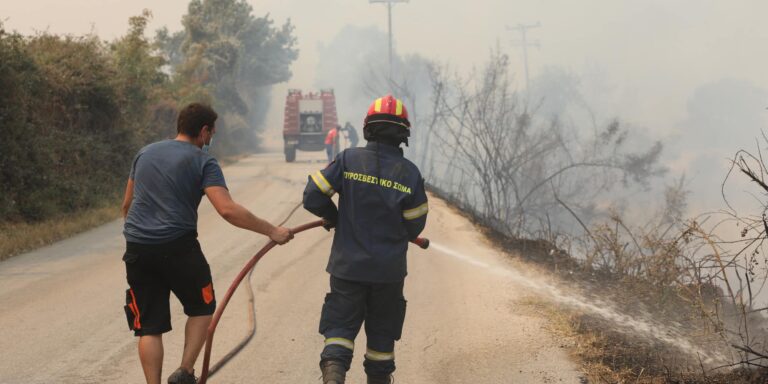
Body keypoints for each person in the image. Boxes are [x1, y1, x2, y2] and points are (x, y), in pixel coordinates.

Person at [120, 103, 293, 384]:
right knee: (202, 308)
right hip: (178, 247)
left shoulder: (145, 153)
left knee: (149, 327)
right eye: (212, 133)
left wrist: (138, 239)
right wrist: (272, 230)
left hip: (138, 248)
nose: (211, 139)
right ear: (203, 131)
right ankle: (185, 373)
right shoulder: (203, 161)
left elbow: (127, 204)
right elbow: (227, 210)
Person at [303, 95, 428, 384]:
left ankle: (333, 376)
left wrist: (332, 216)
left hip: (348, 268)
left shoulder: (348, 159)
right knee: (382, 340)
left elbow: (312, 195)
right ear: (403, 135)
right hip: (388, 273)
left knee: (339, 329)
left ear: (367, 128)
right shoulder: (410, 174)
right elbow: (414, 226)